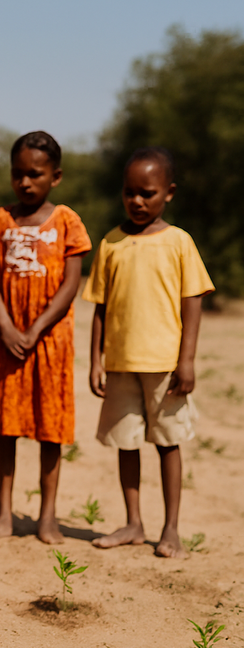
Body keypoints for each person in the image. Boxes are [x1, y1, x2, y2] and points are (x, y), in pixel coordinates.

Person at [83, 147, 213, 559]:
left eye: (148, 193)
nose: (137, 201)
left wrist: (187, 360)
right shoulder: (111, 243)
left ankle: (170, 528)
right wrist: (95, 360)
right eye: (129, 193)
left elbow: (193, 300)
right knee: (127, 444)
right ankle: (133, 522)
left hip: (165, 366)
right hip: (121, 363)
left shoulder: (179, 242)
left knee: (168, 444)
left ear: (169, 193)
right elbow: (100, 308)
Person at [0, 131, 92, 545]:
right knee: (6, 427)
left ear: (55, 176)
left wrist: (36, 328)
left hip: (50, 342)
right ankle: (3, 514)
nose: (25, 182)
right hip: (5, 340)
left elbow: (71, 283)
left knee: (49, 429)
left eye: (35, 174)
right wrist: (6, 325)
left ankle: (47, 517)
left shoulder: (68, 222)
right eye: (18, 174)